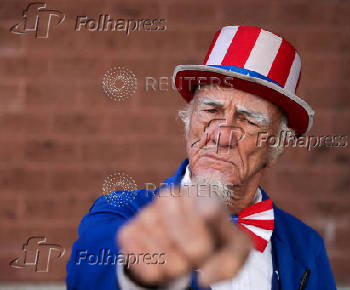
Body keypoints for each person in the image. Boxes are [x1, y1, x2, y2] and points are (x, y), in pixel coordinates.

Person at [66, 25, 336, 290]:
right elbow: (86, 268)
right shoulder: (122, 209)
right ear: (188, 122)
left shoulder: (306, 247)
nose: (222, 134)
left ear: (276, 146)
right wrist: (137, 271)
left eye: (248, 120)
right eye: (210, 110)